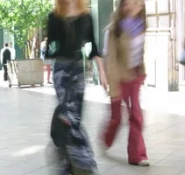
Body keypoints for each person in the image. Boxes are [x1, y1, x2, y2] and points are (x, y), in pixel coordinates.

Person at [45, 0, 103, 173]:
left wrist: (103, 73)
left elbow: (93, 48)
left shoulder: (86, 16)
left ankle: (65, 160)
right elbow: (51, 47)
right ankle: (83, 161)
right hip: (61, 70)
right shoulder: (54, 17)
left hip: (78, 70)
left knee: (74, 118)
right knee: (67, 115)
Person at [99, 0, 149, 166]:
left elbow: (139, 53)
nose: (132, 6)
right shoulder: (114, 30)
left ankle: (137, 155)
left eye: (136, 2)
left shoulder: (141, 25)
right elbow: (111, 60)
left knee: (136, 115)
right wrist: (112, 86)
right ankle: (106, 140)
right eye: (128, 3)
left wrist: (141, 71)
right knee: (117, 118)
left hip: (134, 76)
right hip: (118, 78)